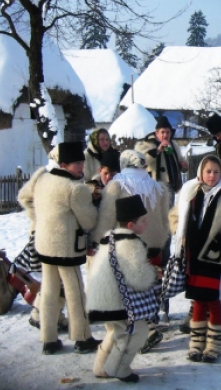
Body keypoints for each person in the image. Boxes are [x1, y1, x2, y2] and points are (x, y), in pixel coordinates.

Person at [18, 141, 101, 355]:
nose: (81, 167)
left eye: (82, 162)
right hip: (67, 247)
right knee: (75, 293)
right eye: (76, 164)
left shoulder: (42, 178)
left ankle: (49, 339)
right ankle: (82, 338)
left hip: (45, 244)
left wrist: (39, 218)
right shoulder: (76, 188)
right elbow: (89, 220)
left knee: (49, 291)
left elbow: (24, 197)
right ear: (64, 164)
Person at [169, 155, 221, 363]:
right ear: (201, 172)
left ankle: (213, 345)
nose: (212, 175)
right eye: (208, 171)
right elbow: (175, 217)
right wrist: (181, 233)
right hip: (195, 255)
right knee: (198, 300)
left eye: (216, 171)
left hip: (217, 255)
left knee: (213, 301)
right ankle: (196, 343)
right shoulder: (191, 191)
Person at [90, 149, 171, 353]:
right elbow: (164, 219)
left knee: (130, 290)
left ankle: (145, 331)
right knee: (149, 288)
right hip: (154, 244)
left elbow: (108, 217)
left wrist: (98, 240)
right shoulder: (158, 187)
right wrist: (160, 242)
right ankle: (149, 324)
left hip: (127, 244)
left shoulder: (117, 185)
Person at [87, 195, 159, 384]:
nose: (146, 223)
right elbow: (139, 277)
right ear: (130, 225)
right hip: (116, 301)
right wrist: (154, 274)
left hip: (101, 299)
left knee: (115, 332)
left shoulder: (110, 239)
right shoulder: (131, 243)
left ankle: (101, 366)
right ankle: (118, 368)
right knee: (137, 331)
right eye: (143, 220)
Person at [17, 145, 67, 332]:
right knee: (53, 279)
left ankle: (56, 315)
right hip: (43, 234)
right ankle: (39, 314)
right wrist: (40, 216)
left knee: (58, 279)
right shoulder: (42, 176)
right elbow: (24, 197)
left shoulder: (65, 177)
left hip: (61, 234)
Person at [135, 115, 188, 194]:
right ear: (156, 133)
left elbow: (180, 161)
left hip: (171, 187)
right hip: (152, 186)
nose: (165, 135)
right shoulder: (146, 144)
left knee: (169, 206)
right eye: (162, 132)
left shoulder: (174, 146)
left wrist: (183, 166)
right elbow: (141, 162)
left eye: (168, 132)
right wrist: (157, 151)